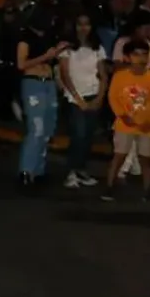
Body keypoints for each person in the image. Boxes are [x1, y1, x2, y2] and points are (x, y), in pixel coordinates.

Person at [103, 40, 150, 204]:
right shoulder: (120, 76)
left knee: (146, 158)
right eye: (136, 54)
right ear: (127, 57)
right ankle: (109, 187)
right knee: (119, 156)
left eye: (144, 54)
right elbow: (113, 97)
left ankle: (149, 191)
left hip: (146, 125)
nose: (141, 58)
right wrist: (122, 115)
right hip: (125, 124)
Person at [15, 8, 68, 189]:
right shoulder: (25, 38)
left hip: (49, 83)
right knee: (36, 128)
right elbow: (21, 64)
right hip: (33, 82)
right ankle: (26, 170)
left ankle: (39, 170)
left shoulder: (48, 37)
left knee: (47, 129)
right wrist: (46, 56)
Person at [58, 14, 108, 188]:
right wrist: (77, 98)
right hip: (74, 98)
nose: (83, 28)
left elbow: (103, 75)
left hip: (93, 94)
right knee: (78, 135)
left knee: (88, 136)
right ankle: (71, 171)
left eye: (87, 24)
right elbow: (65, 75)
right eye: (80, 24)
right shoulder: (67, 48)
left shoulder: (97, 48)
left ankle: (81, 169)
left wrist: (100, 97)